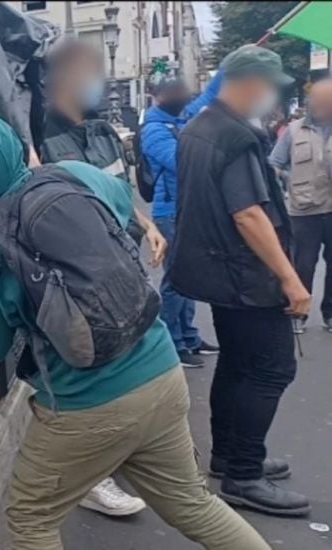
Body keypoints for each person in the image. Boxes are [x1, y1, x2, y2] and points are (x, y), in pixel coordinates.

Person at [0, 108, 269, 550]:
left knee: (30, 517)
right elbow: (122, 201)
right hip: (159, 369)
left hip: (88, 405)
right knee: (192, 502)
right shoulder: (71, 175)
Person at [170, 45, 310, 517]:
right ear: (249, 83)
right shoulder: (233, 135)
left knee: (237, 363)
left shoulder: (198, 127)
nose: (272, 98)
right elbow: (249, 214)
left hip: (218, 271)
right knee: (271, 369)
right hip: (245, 274)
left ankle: (229, 456)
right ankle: (243, 474)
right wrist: (291, 280)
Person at [34, 37, 168, 516]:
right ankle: (94, 477)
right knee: (94, 365)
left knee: (130, 352)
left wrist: (148, 225)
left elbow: (117, 188)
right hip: (81, 270)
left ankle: (124, 454)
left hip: (123, 258)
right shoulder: (40, 135)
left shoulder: (104, 132)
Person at [141, 75, 224, 367]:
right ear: (158, 97)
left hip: (187, 209)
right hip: (170, 212)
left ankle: (189, 336)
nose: (185, 99)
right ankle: (172, 344)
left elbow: (209, 96)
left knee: (189, 277)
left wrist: (230, 65)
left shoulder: (179, 118)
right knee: (176, 279)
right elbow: (182, 162)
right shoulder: (153, 130)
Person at [269, 78, 332, 334]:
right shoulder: (293, 131)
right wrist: (290, 179)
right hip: (304, 209)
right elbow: (274, 163)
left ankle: (330, 313)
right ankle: (299, 313)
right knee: (303, 264)